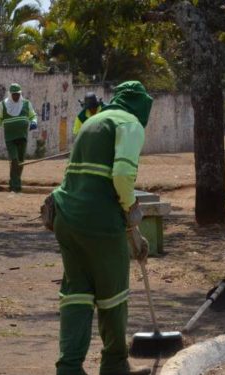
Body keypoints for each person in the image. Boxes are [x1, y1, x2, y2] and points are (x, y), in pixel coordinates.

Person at [51, 81, 153, 375]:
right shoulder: (130, 123)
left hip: (66, 215)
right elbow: (121, 175)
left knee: (77, 292)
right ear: (142, 106)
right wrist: (132, 209)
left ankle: (69, 368)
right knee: (113, 293)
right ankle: (114, 365)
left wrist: (133, 233)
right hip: (99, 219)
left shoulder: (93, 120)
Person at [0, 83, 37, 192]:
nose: (16, 96)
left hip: (22, 136)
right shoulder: (4, 105)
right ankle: (16, 187)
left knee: (20, 162)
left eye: (18, 94)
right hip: (10, 138)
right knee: (14, 160)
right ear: (10, 94)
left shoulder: (26, 103)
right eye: (14, 94)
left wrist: (34, 122)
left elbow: (33, 115)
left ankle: (13, 182)